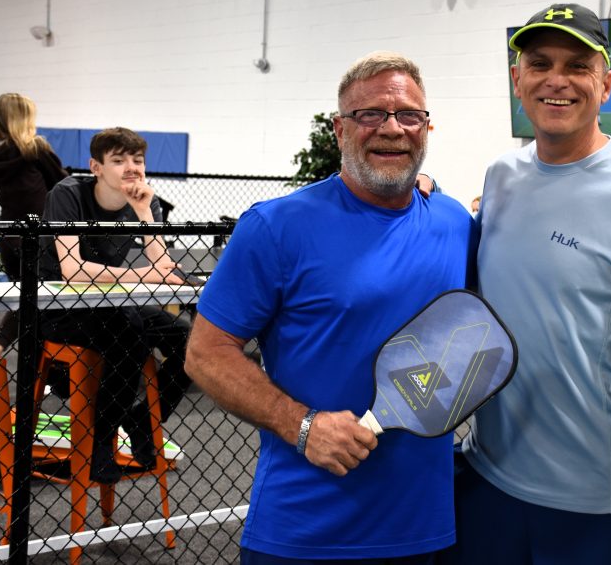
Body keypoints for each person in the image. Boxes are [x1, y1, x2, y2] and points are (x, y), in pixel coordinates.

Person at [185, 52, 477, 563]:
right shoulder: (276, 227)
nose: (392, 128)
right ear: (340, 130)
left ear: (427, 128)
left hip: (429, 528)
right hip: (306, 533)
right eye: (370, 115)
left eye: (408, 115)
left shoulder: (453, 222)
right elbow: (206, 354)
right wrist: (301, 426)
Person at [444, 4, 611, 565]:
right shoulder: (501, 179)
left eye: (577, 66)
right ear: (518, 80)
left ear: (606, 83)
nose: (556, 80)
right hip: (490, 478)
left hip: (601, 505)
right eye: (539, 63)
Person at [40, 127, 192, 483]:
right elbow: (72, 269)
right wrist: (144, 274)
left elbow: (162, 267)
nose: (131, 168)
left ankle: (142, 421)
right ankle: (101, 439)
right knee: (130, 333)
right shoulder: (68, 194)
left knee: (189, 340)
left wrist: (143, 211)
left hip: (114, 303)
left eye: (137, 160)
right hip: (61, 308)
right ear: (96, 166)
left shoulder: (145, 199)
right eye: (119, 160)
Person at [0, 92, 69, 358]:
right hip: (37, 239)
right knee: (35, 302)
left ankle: (33, 382)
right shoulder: (35, 150)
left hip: (9, 236)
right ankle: (0, 347)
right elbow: (63, 186)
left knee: (27, 301)